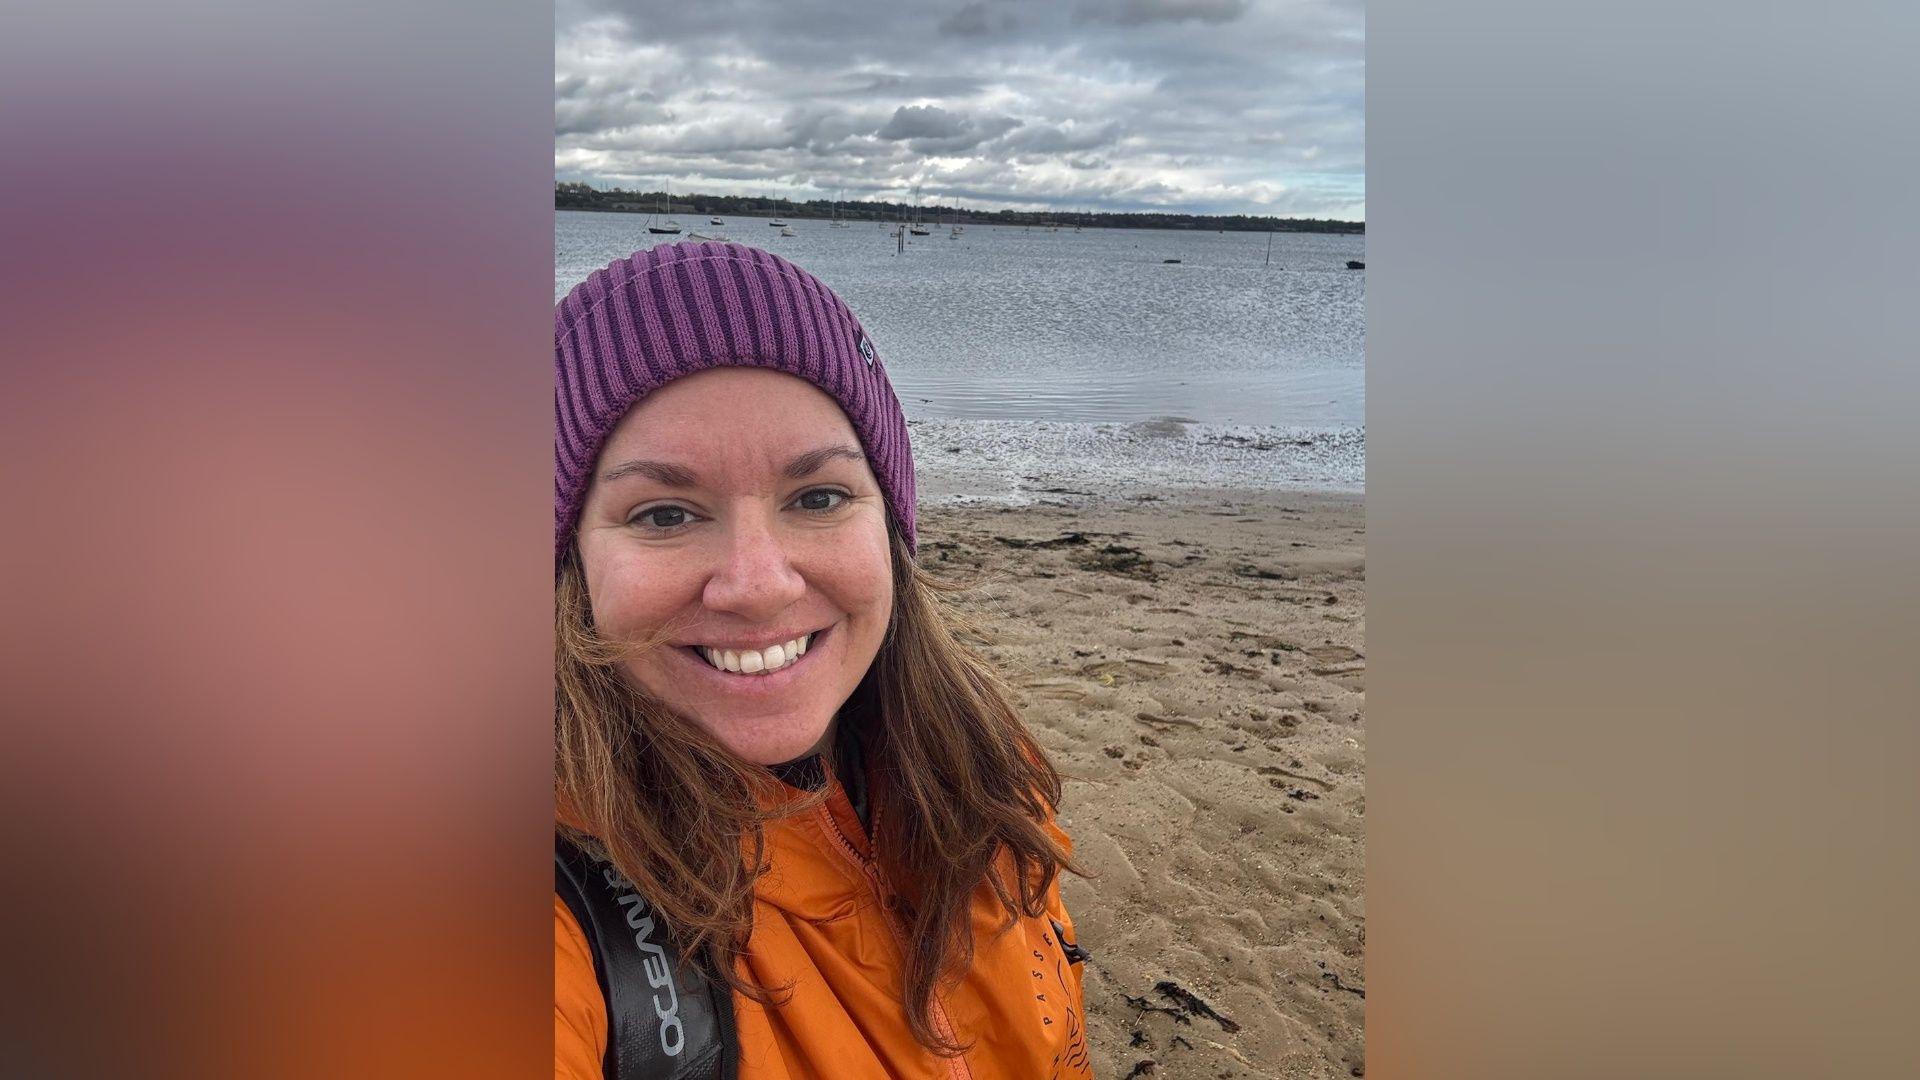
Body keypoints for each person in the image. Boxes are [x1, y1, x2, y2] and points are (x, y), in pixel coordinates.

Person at [553, 241, 1092, 1079]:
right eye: (663, 514)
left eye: (818, 496)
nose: (760, 586)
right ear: (567, 564)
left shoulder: (988, 772)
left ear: (889, 525)